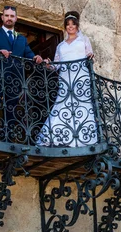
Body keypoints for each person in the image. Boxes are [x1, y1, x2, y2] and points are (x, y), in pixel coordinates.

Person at [36, 11, 98, 148]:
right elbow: (56, 66)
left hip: (80, 77)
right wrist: (48, 63)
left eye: (73, 24)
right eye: (68, 25)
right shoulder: (60, 46)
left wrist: (90, 55)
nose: (70, 27)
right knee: (63, 105)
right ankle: (59, 137)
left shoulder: (84, 40)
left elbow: (90, 55)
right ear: (65, 27)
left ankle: (82, 140)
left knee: (81, 105)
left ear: (77, 26)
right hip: (65, 79)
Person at [0, 5, 43, 141]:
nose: (9, 18)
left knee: (11, 109)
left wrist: (37, 57)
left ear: (16, 19)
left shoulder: (22, 39)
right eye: (6, 15)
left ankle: (9, 139)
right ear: (2, 17)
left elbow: (28, 54)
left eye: (12, 16)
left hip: (15, 78)